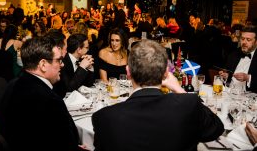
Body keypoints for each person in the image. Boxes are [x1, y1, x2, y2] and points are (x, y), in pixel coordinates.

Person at [92, 39, 224, 151]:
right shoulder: (188, 105)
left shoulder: (104, 118)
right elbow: (216, 128)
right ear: (166, 73)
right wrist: (178, 89)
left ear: (128, 72)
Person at [0, 36, 82, 151]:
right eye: (59, 60)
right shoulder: (50, 100)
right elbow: (69, 142)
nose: (62, 64)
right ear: (43, 65)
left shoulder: (13, 84)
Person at [53, 33, 94, 98]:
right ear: (79, 50)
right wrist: (82, 67)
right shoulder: (63, 62)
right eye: (86, 47)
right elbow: (69, 88)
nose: (88, 50)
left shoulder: (82, 59)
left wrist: (90, 67)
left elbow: (89, 84)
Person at [219, 25, 257, 93]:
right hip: (228, 93)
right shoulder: (234, 54)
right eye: (242, 39)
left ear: (256, 42)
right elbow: (227, 71)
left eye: (248, 40)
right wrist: (226, 75)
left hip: (249, 98)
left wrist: (248, 78)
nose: (244, 42)